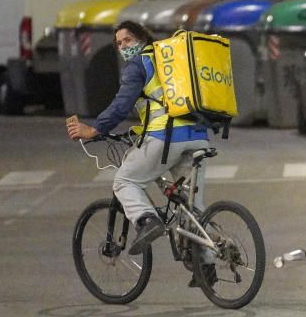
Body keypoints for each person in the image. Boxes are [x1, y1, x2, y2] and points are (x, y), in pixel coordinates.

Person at [67, 20, 211, 263]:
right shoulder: (171, 61)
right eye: (119, 43)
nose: (123, 47)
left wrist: (94, 129)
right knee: (192, 210)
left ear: (143, 39)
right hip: (198, 136)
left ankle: (147, 220)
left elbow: (121, 105)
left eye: (128, 40)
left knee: (124, 181)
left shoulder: (138, 65)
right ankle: (207, 266)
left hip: (166, 138)